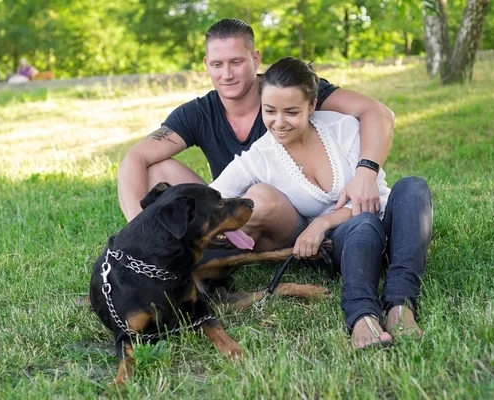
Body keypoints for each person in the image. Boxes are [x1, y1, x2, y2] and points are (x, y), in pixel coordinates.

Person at [209, 56, 433, 349]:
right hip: (349, 246)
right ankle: (362, 316)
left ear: (312, 106)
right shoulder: (259, 157)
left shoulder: (343, 128)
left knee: (414, 186)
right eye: (269, 111)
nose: (279, 122)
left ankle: (400, 307)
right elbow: (210, 198)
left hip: (394, 229)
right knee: (361, 223)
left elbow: (374, 200)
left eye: (291, 112)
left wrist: (322, 222)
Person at [117, 18, 396, 246]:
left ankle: (216, 251)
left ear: (255, 58)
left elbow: (378, 113)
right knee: (158, 169)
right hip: (232, 208)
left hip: (289, 212)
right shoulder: (197, 112)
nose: (227, 74)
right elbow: (135, 158)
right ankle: (177, 248)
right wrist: (136, 231)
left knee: (258, 196)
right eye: (217, 64)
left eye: (236, 62)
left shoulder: (286, 91)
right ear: (206, 65)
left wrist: (366, 173)